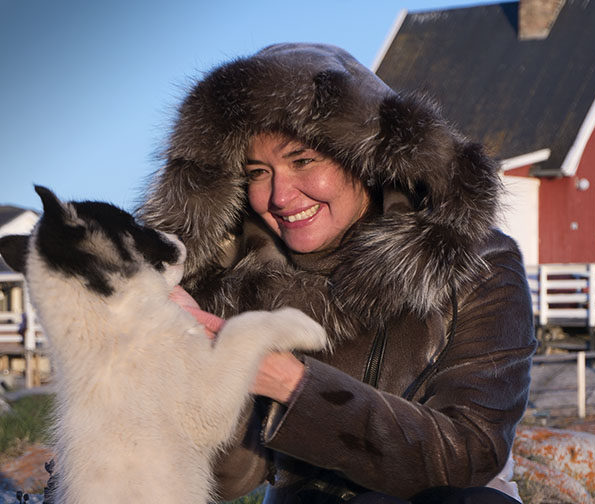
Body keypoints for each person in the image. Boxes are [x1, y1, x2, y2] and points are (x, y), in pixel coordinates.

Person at [139, 43, 537, 503]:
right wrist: (204, 355)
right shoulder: (239, 277)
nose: (280, 196)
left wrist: (294, 385)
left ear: (364, 155)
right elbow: (226, 480)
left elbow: (469, 452)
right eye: (257, 173)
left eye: (303, 161)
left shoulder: (476, 262)